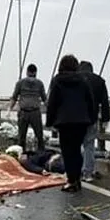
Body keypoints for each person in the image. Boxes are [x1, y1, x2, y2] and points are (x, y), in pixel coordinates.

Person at [45, 54, 95, 192]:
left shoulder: (57, 81)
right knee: (77, 150)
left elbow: (52, 103)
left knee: (68, 152)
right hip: (81, 121)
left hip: (64, 121)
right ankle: (77, 179)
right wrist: (91, 118)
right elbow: (89, 100)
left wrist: (49, 121)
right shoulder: (83, 80)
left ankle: (71, 180)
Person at [78, 60, 110, 183]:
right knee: (89, 145)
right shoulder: (99, 81)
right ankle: (88, 173)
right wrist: (105, 119)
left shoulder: (75, 79)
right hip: (91, 118)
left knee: (75, 145)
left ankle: (76, 171)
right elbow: (105, 102)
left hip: (76, 118)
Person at [9, 64, 47, 151]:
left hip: (23, 112)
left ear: (27, 72)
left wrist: (9, 110)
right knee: (39, 136)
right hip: (35, 112)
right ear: (36, 73)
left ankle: (21, 155)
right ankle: (41, 154)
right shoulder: (39, 83)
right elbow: (45, 99)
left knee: (21, 137)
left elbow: (14, 98)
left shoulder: (20, 83)